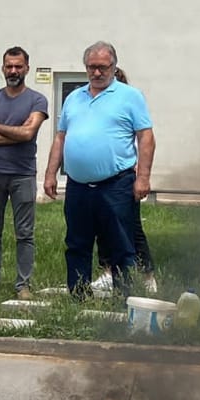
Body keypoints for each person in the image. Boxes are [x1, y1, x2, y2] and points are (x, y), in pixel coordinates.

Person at [43, 41, 155, 297]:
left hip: (116, 184)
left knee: (120, 243)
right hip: (78, 186)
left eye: (103, 67)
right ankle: (78, 294)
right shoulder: (74, 97)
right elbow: (61, 137)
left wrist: (144, 177)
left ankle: (124, 296)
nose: (97, 73)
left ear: (114, 67)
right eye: (92, 67)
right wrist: (50, 173)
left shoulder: (130, 96)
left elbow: (146, 137)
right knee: (76, 242)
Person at [0, 46, 49, 299]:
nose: (13, 71)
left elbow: (29, 133)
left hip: (23, 174)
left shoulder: (37, 100)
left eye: (18, 66)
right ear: (3, 68)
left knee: (24, 233)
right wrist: (14, 133)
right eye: (9, 66)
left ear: (27, 68)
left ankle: (23, 285)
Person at [93, 67, 158, 295]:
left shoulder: (129, 103)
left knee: (132, 228)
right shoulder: (94, 106)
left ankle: (147, 274)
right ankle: (107, 271)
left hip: (123, 178)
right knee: (101, 227)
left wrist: (141, 175)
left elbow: (144, 138)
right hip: (97, 179)